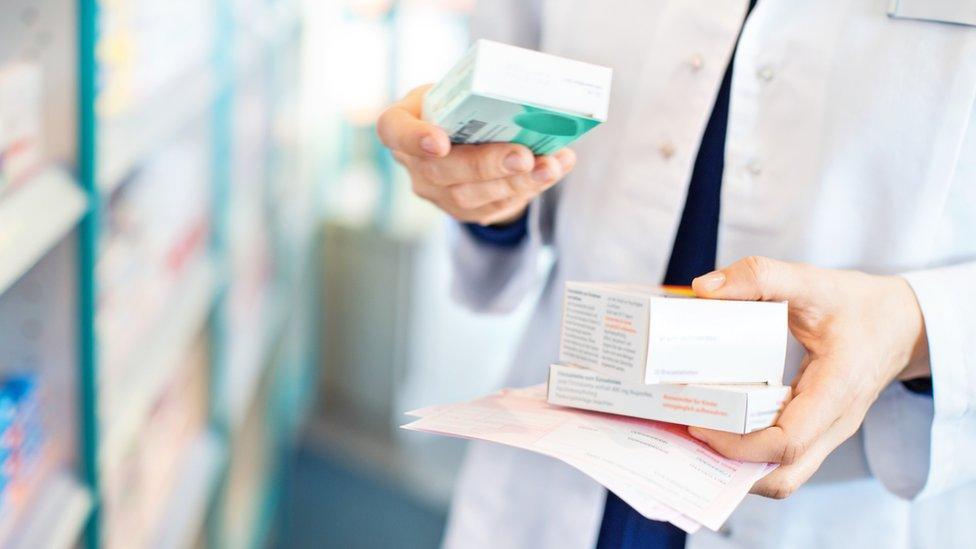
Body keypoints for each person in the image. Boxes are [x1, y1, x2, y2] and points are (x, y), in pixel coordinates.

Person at [377, 1, 976, 548]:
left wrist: (916, 327)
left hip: (847, 499)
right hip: (562, 465)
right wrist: (483, 191)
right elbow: (512, 124)